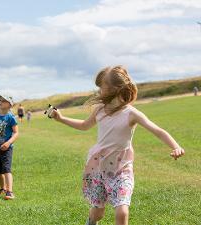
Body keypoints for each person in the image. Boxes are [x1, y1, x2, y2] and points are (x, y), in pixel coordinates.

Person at [50, 65, 185, 225]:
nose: (99, 91)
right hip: (99, 168)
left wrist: (175, 146)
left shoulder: (131, 113)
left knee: (122, 211)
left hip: (122, 170)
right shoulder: (100, 110)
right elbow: (84, 125)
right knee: (97, 212)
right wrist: (61, 118)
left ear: (116, 88)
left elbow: (157, 130)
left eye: (102, 87)